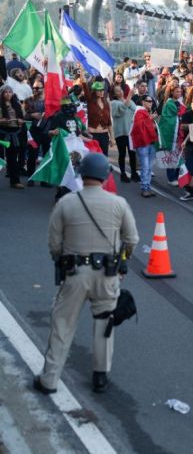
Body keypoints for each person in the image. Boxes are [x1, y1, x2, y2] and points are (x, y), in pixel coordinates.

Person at [34, 153, 139, 395]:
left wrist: (61, 258)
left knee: (62, 324)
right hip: (107, 274)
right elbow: (131, 239)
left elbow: (54, 242)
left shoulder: (67, 203)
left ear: (81, 173)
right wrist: (122, 261)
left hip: (75, 272)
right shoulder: (118, 204)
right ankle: (100, 376)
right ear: (106, 176)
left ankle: (49, 379)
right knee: (105, 323)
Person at [80, 67, 114, 156]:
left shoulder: (106, 103)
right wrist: (82, 72)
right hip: (93, 135)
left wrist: (112, 138)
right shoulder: (90, 101)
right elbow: (84, 85)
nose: (101, 92)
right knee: (93, 158)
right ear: (94, 91)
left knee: (104, 158)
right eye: (99, 90)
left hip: (104, 135)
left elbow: (109, 122)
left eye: (102, 90)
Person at [130, 95, 158, 198]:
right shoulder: (139, 112)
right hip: (143, 144)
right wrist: (150, 119)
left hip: (150, 143)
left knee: (149, 168)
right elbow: (138, 126)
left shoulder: (147, 113)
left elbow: (151, 127)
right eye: (148, 101)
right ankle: (144, 188)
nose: (151, 103)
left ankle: (148, 187)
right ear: (143, 102)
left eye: (152, 101)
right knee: (145, 167)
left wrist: (151, 120)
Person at [110, 85, 139, 183]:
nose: (120, 92)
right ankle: (123, 173)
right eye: (117, 91)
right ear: (114, 94)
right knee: (122, 154)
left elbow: (135, 110)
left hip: (130, 132)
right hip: (120, 132)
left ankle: (134, 173)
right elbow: (120, 111)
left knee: (132, 154)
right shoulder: (113, 103)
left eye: (121, 90)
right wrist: (129, 97)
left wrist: (128, 99)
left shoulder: (128, 100)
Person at [0, 84, 26, 189]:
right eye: (5, 92)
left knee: (12, 157)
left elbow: (23, 117)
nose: (8, 94)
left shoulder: (16, 104)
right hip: (1, 133)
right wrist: (3, 121)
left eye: (10, 92)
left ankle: (15, 181)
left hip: (14, 133)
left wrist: (20, 121)